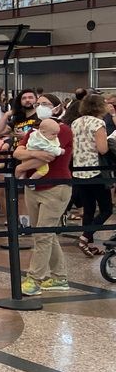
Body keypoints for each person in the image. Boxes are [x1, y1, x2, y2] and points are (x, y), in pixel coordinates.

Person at [14, 93, 73, 295]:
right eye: (38, 104)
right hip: (33, 188)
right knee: (45, 233)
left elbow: (48, 157)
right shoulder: (34, 132)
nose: (40, 106)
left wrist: (23, 166)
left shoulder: (61, 130)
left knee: (42, 234)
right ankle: (59, 277)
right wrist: (34, 154)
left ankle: (34, 279)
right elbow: (17, 153)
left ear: (57, 108)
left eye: (45, 104)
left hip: (55, 188)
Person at [71, 92, 111, 257]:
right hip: (95, 170)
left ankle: (89, 244)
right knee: (106, 209)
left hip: (79, 170)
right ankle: (85, 237)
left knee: (88, 209)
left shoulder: (75, 122)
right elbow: (102, 149)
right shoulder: (98, 123)